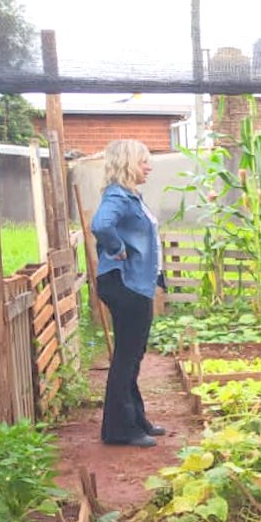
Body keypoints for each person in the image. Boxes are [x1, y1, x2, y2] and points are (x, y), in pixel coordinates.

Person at [91, 139, 166, 447]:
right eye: (143, 161)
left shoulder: (132, 196)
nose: (148, 166)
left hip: (134, 284)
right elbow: (101, 224)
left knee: (132, 356)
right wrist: (117, 248)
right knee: (127, 357)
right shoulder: (118, 196)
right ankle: (119, 430)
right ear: (127, 164)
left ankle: (135, 420)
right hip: (125, 283)